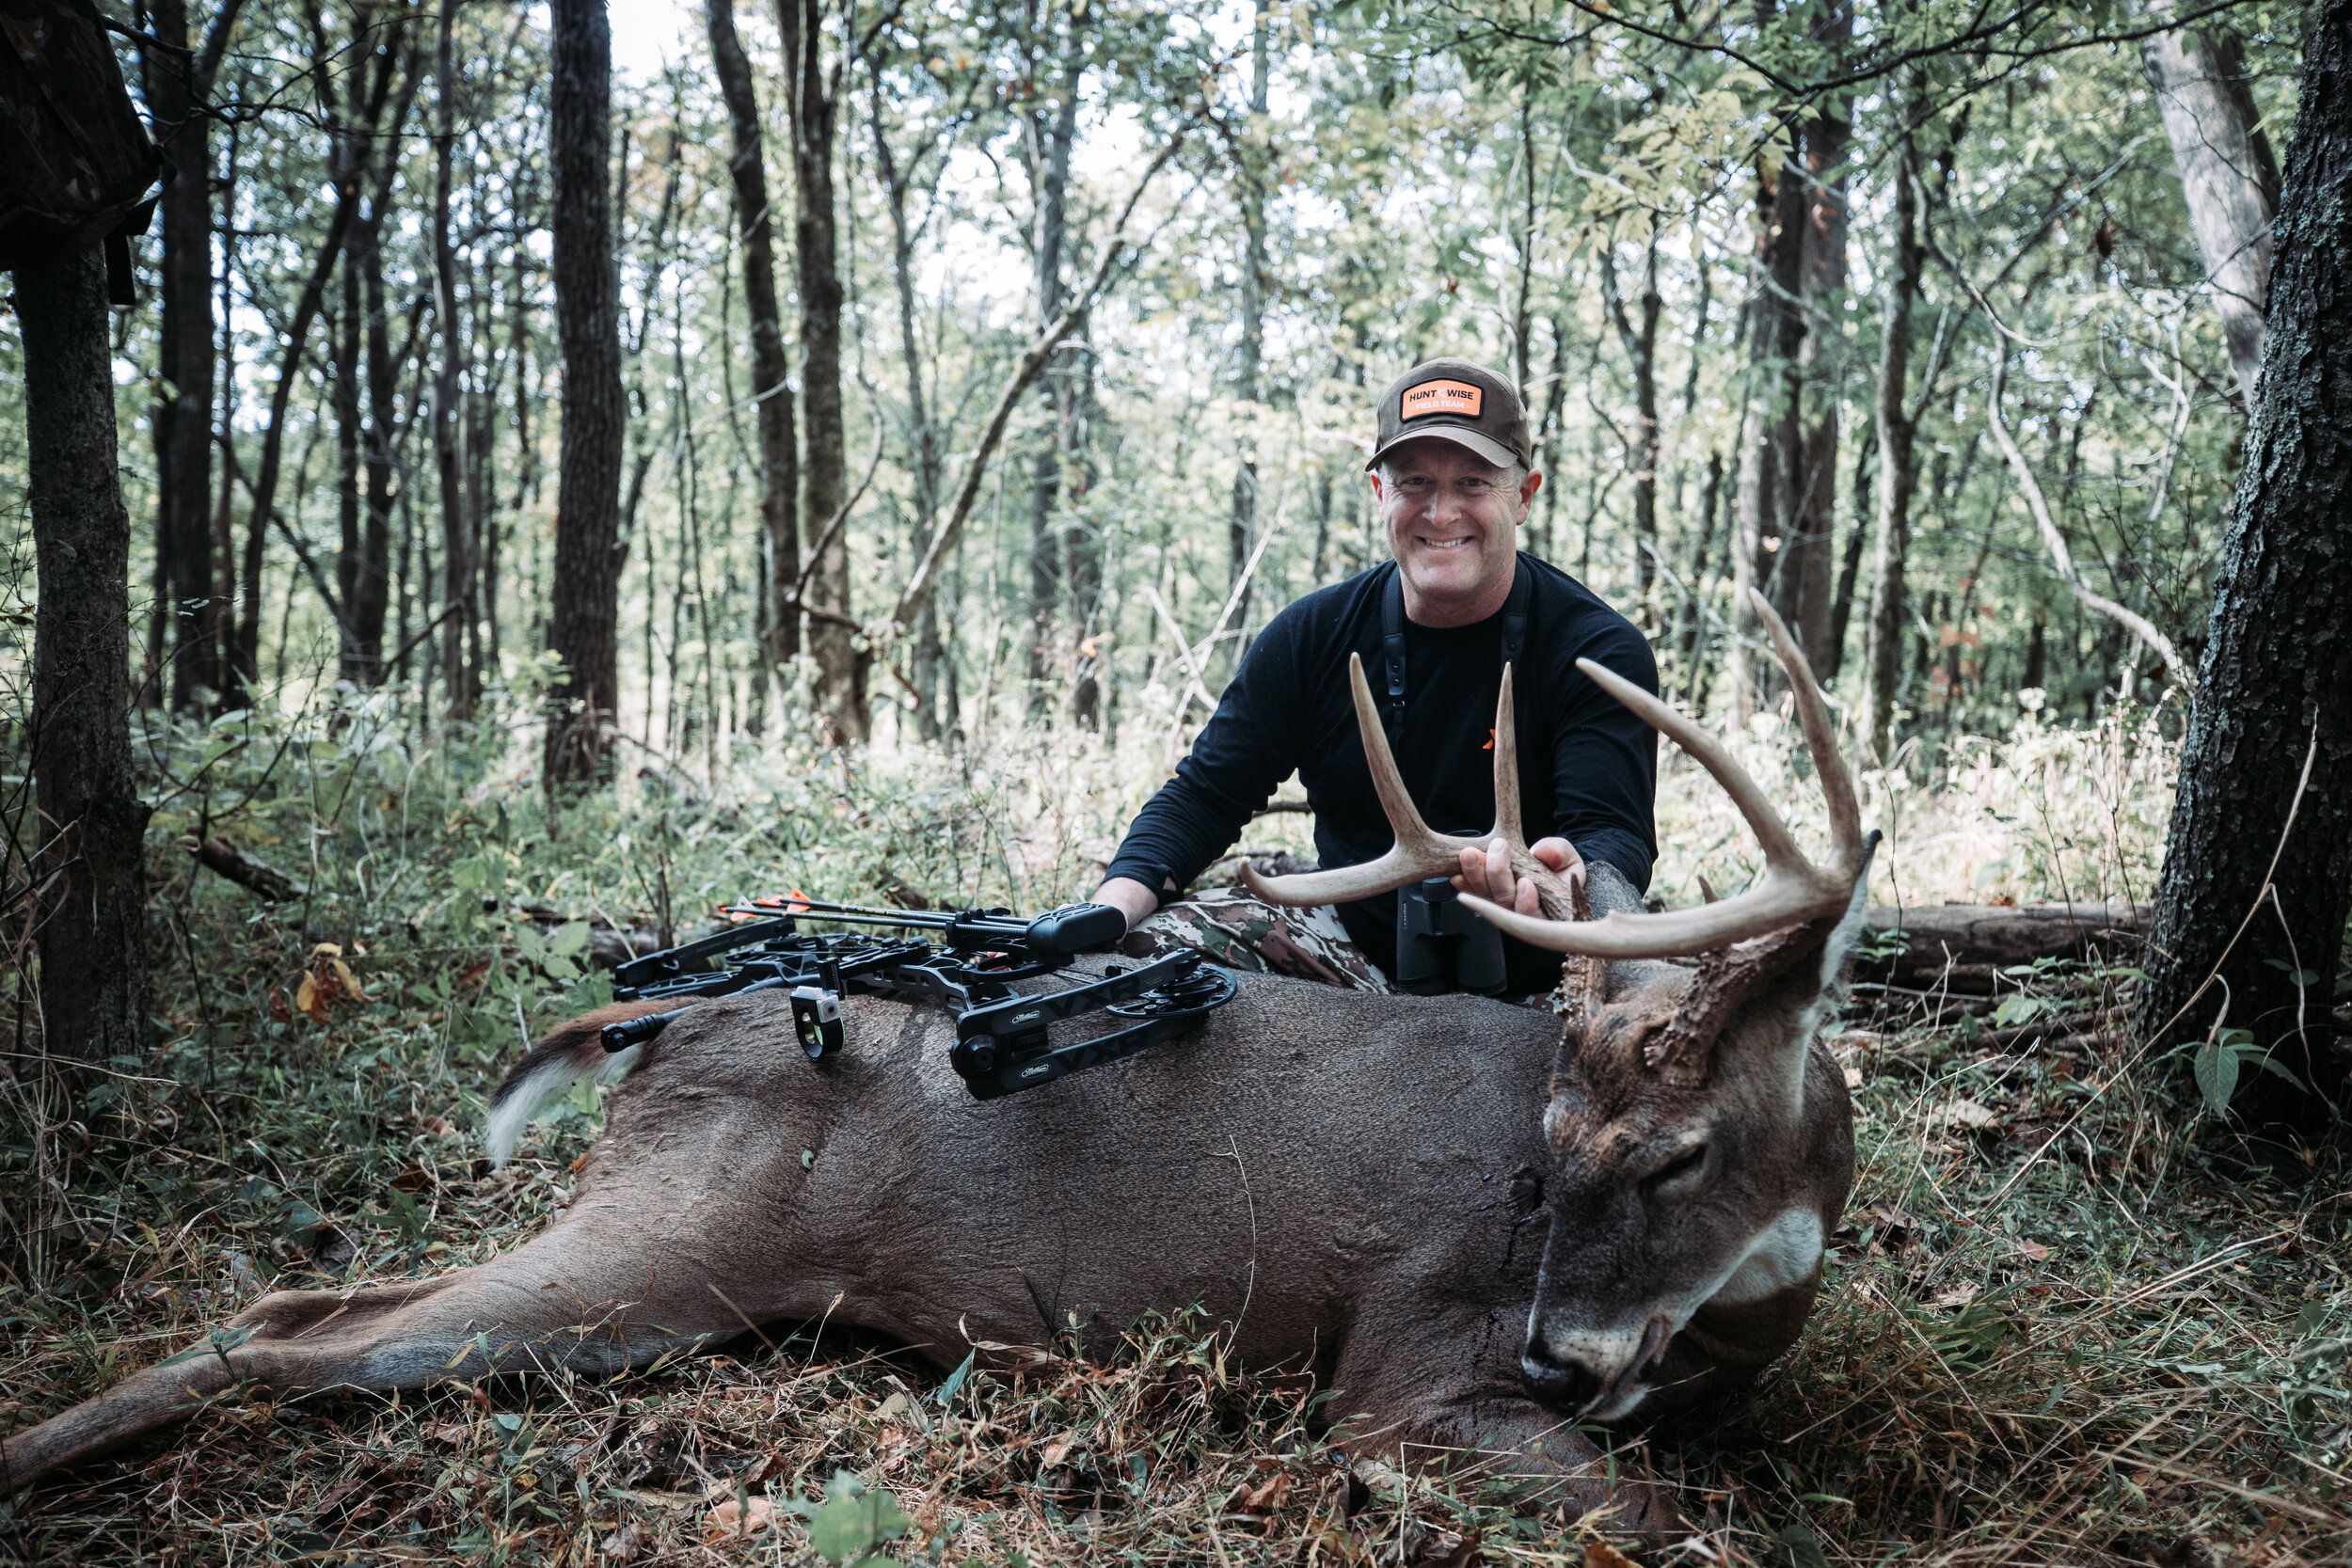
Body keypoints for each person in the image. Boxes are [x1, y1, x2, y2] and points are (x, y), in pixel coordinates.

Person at [1092, 357, 1659, 997]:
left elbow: (1611, 836)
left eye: (1474, 482)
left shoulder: (1597, 650)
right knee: (1145, 961)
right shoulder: (1311, 637)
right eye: (1414, 481)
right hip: (1355, 959)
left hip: (1552, 964)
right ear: (1379, 493)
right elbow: (1205, 797)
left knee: (1661, 1020)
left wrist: (1564, 882)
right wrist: (1110, 908)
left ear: (1523, 494)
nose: (1442, 512)